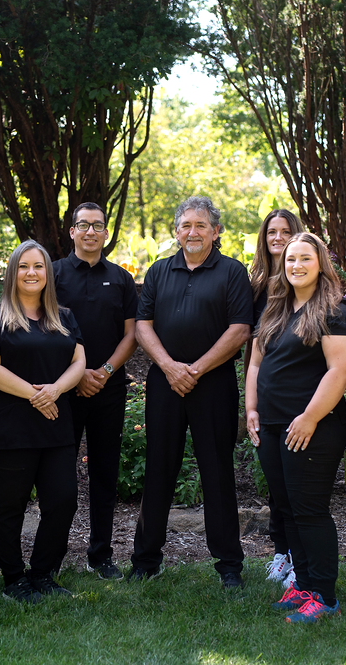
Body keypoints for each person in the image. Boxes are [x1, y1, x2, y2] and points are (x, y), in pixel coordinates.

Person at [128, 196, 252, 588]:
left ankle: (229, 565)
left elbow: (239, 330)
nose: (193, 232)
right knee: (158, 469)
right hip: (165, 383)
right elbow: (143, 325)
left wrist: (195, 370)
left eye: (201, 225)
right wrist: (169, 367)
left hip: (212, 384)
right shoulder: (159, 271)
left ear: (216, 232)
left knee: (217, 473)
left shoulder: (232, 272)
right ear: (177, 232)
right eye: (186, 226)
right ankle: (146, 560)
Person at [245, 233, 346, 623]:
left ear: (320, 264)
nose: (296, 265)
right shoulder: (275, 310)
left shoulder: (334, 311)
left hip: (314, 426)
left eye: (305, 258)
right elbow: (256, 363)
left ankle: (325, 595)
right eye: (290, 259)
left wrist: (309, 417)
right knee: (289, 510)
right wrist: (251, 408)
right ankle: (304, 585)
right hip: (272, 425)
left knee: (309, 511)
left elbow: (340, 371)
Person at [0, 240, 87, 603]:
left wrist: (54, 391)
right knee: (10, 505)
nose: (31, 273)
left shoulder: (64, 317)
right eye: (23, 266)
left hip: (55, 424)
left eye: (38, 266)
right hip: (10, 427)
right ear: (12, 272)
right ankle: (14, 579)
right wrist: (36, 395)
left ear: (48, 274)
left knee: (63, 500)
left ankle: (42, 574)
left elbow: (79, 363)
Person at [53, 202, 138, 580]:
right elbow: (46, 330)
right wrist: (76, 374)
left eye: (98, 226)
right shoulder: (51, 274)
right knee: (58, 476)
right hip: (63, 390)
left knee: (104, 474)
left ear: (106, 233)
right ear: (72, 232)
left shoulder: (121, 278)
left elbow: (132, 334)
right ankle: (51, 554)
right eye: (83, 225)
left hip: (108, 388)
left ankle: (100, 555)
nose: (90, 232)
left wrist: (102, 371)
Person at [246, 208, 306, 588]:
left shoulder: (304, 282)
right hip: (262, 388)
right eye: (272, 232)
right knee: (274, 480)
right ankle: (281, 553)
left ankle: (297, 557)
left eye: (286, 232)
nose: (278, 238)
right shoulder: (256, 285)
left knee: (294, 484)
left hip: (297, 395)